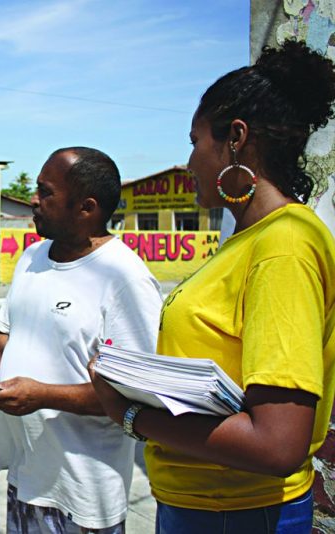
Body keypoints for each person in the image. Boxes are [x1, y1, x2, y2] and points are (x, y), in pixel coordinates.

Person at [88, 40, 335, 533]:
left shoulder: (283, 245)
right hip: (207, 506)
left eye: (195, 141)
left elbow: (278, 443)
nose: (188, 162)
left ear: (236, 139)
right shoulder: (250, 239)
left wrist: (131, 414)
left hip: (239, 514)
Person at [0, 147, 163, 533]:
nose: (33, 200)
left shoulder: (125, 279)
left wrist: (43, 396)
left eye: (46, 192)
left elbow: (136, 394)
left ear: (86, 208)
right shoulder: (32, 257)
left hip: (82, 493)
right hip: (26, 476)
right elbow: (5, 332)